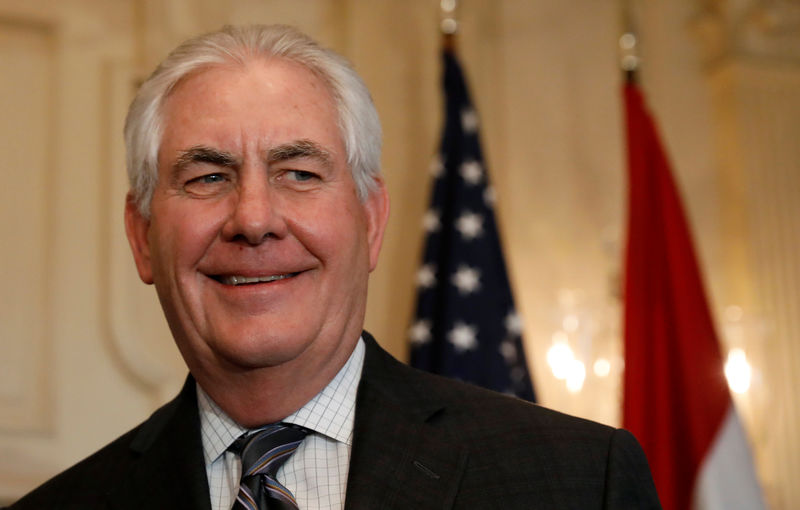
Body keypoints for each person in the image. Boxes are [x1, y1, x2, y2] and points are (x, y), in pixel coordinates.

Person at [9, 24, 661, 509]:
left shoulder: (578, 481)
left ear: (371, 220)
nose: (254, 219)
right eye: (208, 176)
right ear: (143, 235)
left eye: (299, 173)